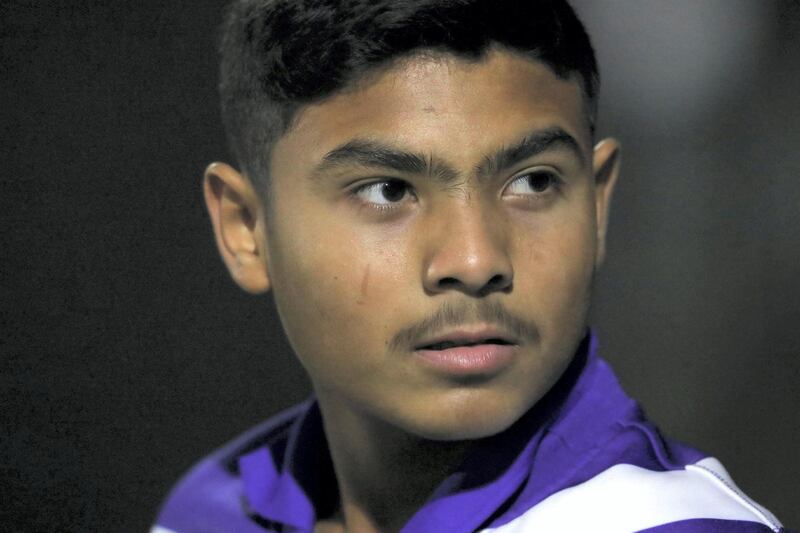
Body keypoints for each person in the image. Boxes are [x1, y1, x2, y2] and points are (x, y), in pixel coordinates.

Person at [153, 1, 789, 531]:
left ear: (598, 207)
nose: (476, 260)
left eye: (533, 182)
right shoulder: (204, 511)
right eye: (388, 192)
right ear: (245, 229)